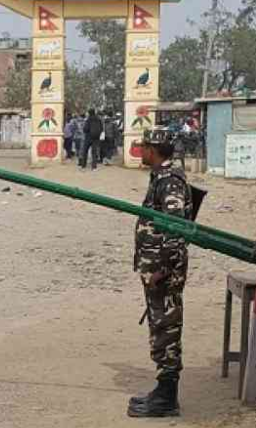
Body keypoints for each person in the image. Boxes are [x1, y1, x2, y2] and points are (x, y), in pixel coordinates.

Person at [128, 129, 192, 418]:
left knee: (167, 329)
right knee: (160, 328)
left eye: (144, 147)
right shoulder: (161, 178)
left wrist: (163, 269)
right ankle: (163, 391)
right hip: (157, 270)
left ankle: (167, 398)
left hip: (163, 273)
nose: (140, 151)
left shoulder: (170, 182)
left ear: (154, 150)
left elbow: (176, 230)